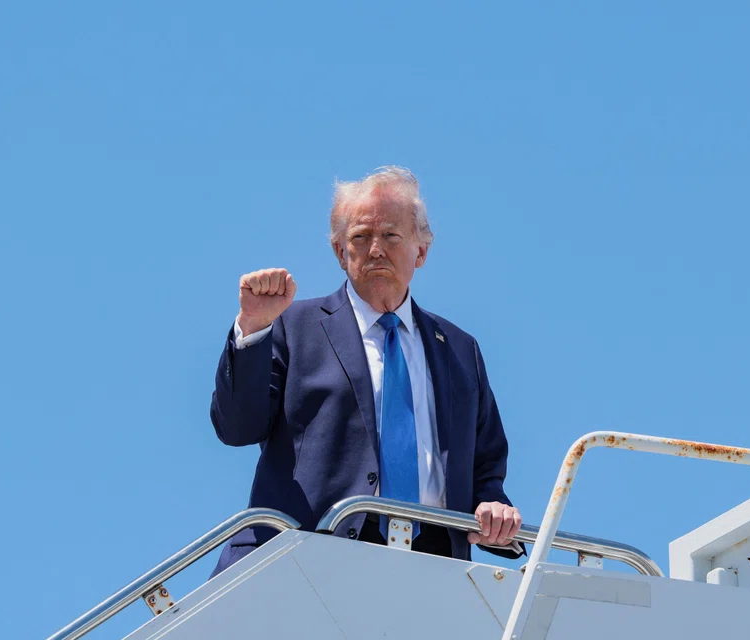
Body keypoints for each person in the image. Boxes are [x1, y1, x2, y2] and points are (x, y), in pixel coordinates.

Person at [208, 166, 522, 578]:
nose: (376, 249)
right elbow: (237, 428)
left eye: (391, 235)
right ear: (341, 253)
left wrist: (492, 506)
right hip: (310, 558)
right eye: (360, 237)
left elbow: (485, 465)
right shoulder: (293, 326)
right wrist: (252, 328)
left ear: (421, 251)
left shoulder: (460, 349)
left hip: (433, 569)